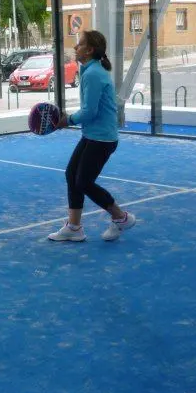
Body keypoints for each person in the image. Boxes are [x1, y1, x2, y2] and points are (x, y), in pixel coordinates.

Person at [48, 30, 136, 242]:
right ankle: (74, 227)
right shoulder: (91, 70)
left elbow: (90, 112)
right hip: (93, 135)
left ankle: (121, 218)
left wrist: (66, 121)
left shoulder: (93, 74)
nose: (75, 48)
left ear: (89, 50)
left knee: (84, 182)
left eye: (79, 45)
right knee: (72, 175)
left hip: (102, 139)